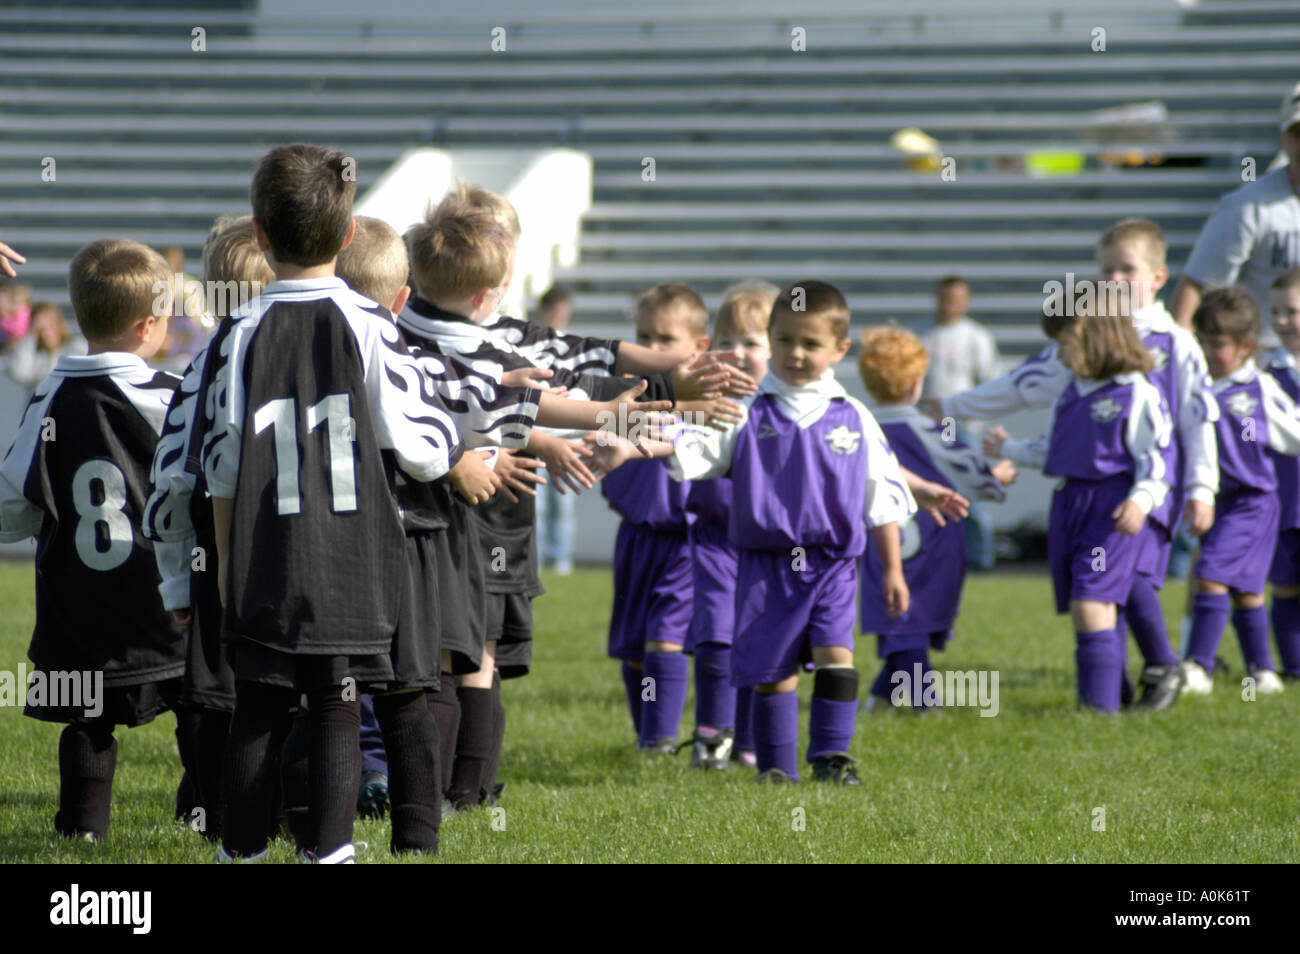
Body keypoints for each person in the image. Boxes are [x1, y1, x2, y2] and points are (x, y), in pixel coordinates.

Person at [199, 144, 481, 865]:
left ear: (258, 234)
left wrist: (228, 556)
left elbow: (222, 457)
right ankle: (328, 853)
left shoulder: (239, 331)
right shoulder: (370, 323)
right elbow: (416, 443)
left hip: (264, 546)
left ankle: (242, 850)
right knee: (335, 699)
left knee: (258, 705)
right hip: (353, 554)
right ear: (349, 233)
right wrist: (454, 454)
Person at [928, 220, 1218, 709]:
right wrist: (954, 407)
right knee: (1116, 586)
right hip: (1097, 490)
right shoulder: (1084, 335)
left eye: (1127, 269)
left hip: (1151, 486)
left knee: (1124, 582)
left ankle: (1150, 671)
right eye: (1106, 270)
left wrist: (1202, 487)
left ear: (1158, 276)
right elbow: (1022, 383)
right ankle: (1133, 681)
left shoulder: (1177, 344)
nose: (1115, 280)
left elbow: (1197, 419)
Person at [671, 280, 916, 782]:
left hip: (833, 564)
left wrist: (892, 569)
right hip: (766, 565)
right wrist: (629, 441)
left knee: (835, 653)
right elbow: (692, 450)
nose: (796, 354)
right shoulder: (746, 410)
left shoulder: (854, 416)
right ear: (771, 338)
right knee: (774, 671)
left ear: (839, 350)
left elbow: (882, 496)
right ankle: (777, 769)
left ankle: (830, 756)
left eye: (810, 344)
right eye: (784, 341)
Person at [0, 238, 193, 841]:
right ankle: (205, 811)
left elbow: (12, 505)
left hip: (78, 606)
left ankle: (83, 826)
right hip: (166, 605)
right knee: (199, 702)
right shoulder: (170, 396)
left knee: (86, 721)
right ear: (148, 324)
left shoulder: (50, 397)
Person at [142, 214, 274, 843]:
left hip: (210, 545)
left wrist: (174, 582)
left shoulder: (201, 367)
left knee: (214, 688)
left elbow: (168, 480)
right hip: (267, 542)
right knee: (268, 683)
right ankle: (244, 809)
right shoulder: (273, 361)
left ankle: (211, 806)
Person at [1008, 312, 1174, 711]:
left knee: (1091, 601)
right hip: (1069, 504)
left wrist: (1141, 500)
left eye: (1065, 343)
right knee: (1097, 601)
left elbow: (1159, 458)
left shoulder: (1135, 392)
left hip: (1110, 509)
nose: (1060, 354)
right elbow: (1054, 448)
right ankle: (1114, 695)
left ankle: (1097, 712)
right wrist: (1009, 452)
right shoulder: (1071, 391)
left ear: (1095, 342)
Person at [858, 326, 1014, 709]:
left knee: (900, 617)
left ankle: (884, 697)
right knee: (913, 620)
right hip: (933, 537)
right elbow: (971, 472)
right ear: (916, 381)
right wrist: (997, 480)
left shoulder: (859, 427)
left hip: (877, 540)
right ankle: (923, 703)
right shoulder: (931, 428)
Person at [1179, 287, 1300, 695]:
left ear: (1246, 346)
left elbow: (1293, 434)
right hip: (1217, 501)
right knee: (1247, 590)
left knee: (1210, 575)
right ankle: (1262, 672)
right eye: (1203, 342)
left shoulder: (1258, 390)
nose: (1208, 351)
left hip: (1253, 502)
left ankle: (1197, 666)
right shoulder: (1195, 388)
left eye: (1217, 344)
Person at [683, 281, 776, 768]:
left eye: (751, 343)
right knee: (717, 637)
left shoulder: (786, 407)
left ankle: (749, 740)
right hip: (717, 536)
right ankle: (711, 737)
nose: (737, 354)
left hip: (771, 549)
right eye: (726, 342)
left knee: (761, 642)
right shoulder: (703, 400)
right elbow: (665, 433)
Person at [1169, 82, 1300, 334]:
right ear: (1284, 137)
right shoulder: (1247, 206)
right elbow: (1197, 286)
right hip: (1267, 355)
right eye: (1299, 133)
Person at [916, 276, 1001, 570]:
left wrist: (978, 418)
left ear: (966, 301)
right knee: (926, 488)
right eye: (945, 297)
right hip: (926, 424)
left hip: (962, 424)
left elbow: (990, 383)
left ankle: (980, 559)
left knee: (971, 489)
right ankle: (929, 555)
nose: (949, 304)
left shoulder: (976, 337)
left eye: (956, 298)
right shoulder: (920, 333)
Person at [1260, 267, 1300, 678]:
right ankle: (1293, 669)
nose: (1283, 321)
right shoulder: (1265, 376)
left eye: (1292, 310)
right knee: (1286, 585)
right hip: (1284, 501)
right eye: (1276, 312)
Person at [532, 283, 576, 573]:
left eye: (565, 313)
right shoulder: (527, 341)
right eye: (558, 312)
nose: (561, 318)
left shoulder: (571, 347)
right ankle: (533, 559)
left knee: (563, 502)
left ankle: (560, 560)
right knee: (536, 506)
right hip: (534, 433)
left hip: (564, 436)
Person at [4, 302, 87, 393]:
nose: (47, 333)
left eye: (51, 326)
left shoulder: (76, 348)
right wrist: (31, 337)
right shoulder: (35, 357)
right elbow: (20, 374)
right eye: (41, 329)